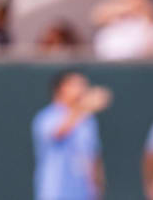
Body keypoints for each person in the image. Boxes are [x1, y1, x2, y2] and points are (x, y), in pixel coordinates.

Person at [32, 71, 112, 200]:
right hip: (56, 193)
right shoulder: (47, 117)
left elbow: (93, 157)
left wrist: (97, 189)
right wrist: (83, 108)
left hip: (83, 194)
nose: (83, 89)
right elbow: (59, 133)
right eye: (77, 85)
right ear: (62, 88)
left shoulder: (88, 120)